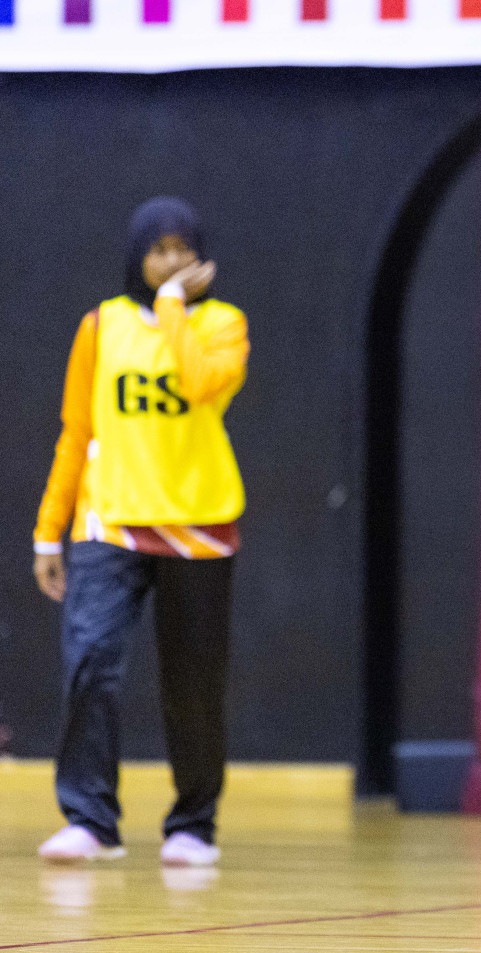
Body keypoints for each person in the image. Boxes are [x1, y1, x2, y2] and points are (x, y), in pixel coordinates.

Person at [31, 197, 248, 869]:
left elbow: (202, 381)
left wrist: (176, 306)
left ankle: (193, 823)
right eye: (159, 251)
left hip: (199, 524)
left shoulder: (224, 324)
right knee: (90, 660)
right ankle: (89, 819)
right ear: (138, 258)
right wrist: (49, 531)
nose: (172, 262)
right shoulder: (101, 326)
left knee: (194, 682)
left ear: (202, 257)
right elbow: (77, 431)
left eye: (184, 249)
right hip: (110, 522)